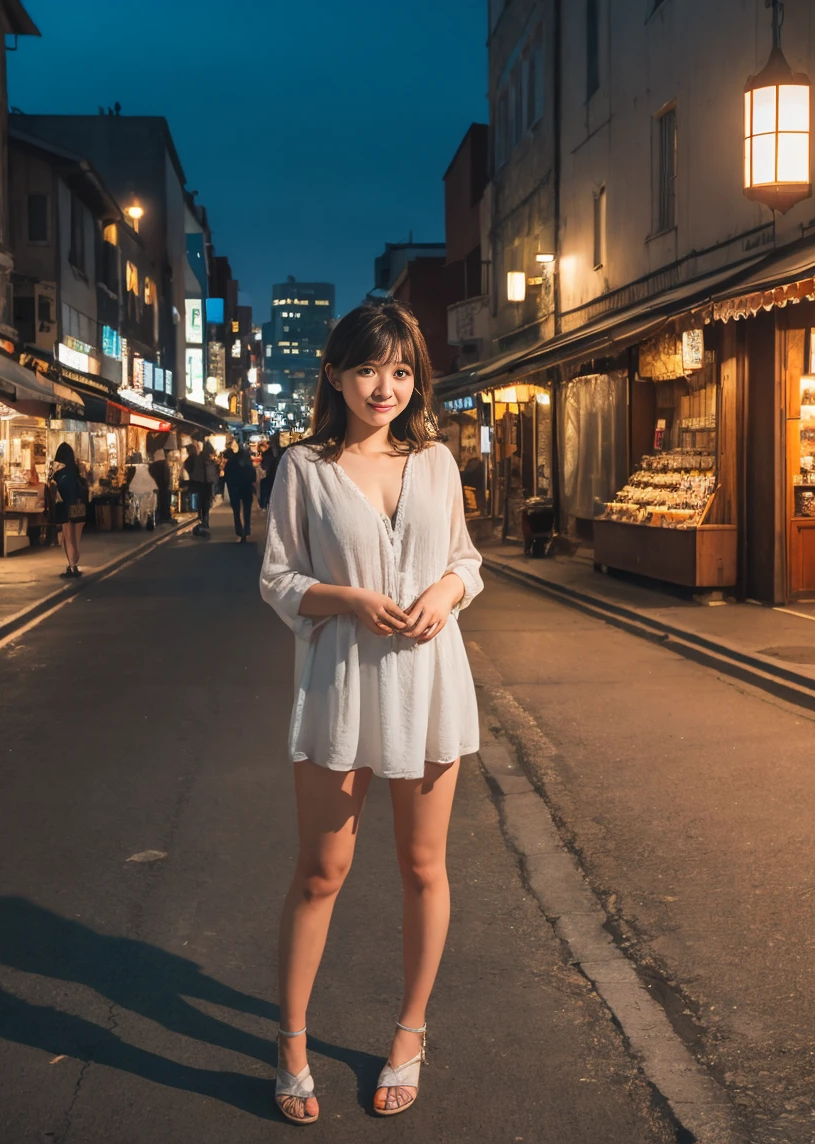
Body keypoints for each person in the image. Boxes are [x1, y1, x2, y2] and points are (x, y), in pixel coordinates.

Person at [259, 300, 484, 1125]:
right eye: (366, 369)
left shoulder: (434, 463)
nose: (383, 386)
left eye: (399, 370)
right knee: (322, 872)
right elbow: (277, 578)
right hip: (340, 688)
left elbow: (466, 558)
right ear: (335, 375)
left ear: (415, 376)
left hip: (430, 683)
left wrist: (447, 591)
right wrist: (347, 597)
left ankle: (410, 1035)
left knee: (424, 867)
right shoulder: (304, 467)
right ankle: (291, 1042)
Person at [48, 442, 88, 578]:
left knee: (68, 538)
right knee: (76, 539)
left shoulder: (58, 472)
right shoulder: (77, 469)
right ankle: (75, 564)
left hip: (65, 507)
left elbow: (53, 488)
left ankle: (72, 566)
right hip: (79, 506)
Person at [223, 443, 255, 542]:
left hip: (235, 488)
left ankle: (239, 530)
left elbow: (227, 477)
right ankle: (246, 529)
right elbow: (253, 475)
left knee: (236, 511)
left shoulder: (230, 463)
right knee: (247, 509)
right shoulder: (247, 463)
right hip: (246, 487)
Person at [184, 441, 216, 536]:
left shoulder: (198, 459)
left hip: (199, 483)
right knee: (205, 503)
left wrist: (192, 476)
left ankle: (202, 520)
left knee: (201, 503)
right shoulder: (208, 460)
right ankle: (204, 521)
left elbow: (189, 467)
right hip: (206, 484)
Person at [149, 449, 173, 524]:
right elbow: (166, 478)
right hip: (163, 487)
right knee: (164, 499)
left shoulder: (153, 465)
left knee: (159, 500)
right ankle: (165, 516)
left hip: (157, 486)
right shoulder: (163, 465)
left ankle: (160, 516)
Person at [258, 439, 278, 511]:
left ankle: (264, 505)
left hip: (267, 475)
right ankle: (266, 504)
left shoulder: (267, 455)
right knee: (269, 491)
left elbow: (265, 466)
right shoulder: (272, 454)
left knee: (265, 490)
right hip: (271, 475)